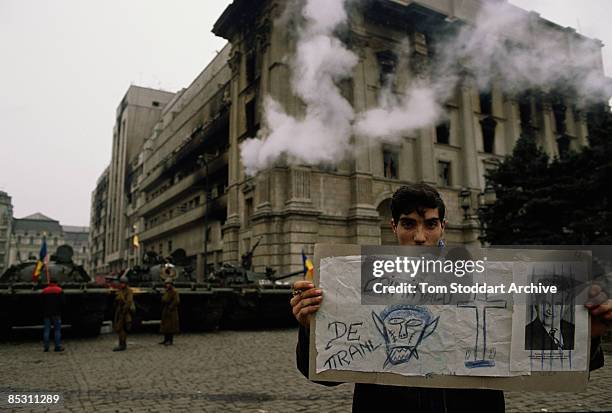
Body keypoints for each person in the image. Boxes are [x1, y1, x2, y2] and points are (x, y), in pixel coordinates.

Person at [292, 183, 611, 412]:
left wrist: (589, 335)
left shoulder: (486, 275)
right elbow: (325, 375)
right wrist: (311, 326)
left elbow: (548, 359)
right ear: (393, 227)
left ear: (443, 226)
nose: (420, 237)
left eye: (430, 225)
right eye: (409, 224)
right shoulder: (356, 278)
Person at [42, 278, 64, 352]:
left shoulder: (45, 290)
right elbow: (63, 302)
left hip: (46, 313)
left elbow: (41, 302)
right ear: (56, 283)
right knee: (57, 330)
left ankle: (46, 347)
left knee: (46, 330)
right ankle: (57, 346)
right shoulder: (59, 290)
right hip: (56, 313)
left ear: (49, 282)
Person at [113, 274, 134, 351]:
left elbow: (129, 302)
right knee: (119, 328)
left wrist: (124, 311)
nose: (122, 284)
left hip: (125, 313)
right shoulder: (120, 291)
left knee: (123, 329)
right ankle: (121, 344)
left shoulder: (129, 291)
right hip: (120, 311)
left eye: (123, 283)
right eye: (121, 283)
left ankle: (122, 345)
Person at [159, 278, 180, 345]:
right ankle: (165, 339)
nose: (167, 285)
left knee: (171, 326)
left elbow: (176, 300)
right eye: (166, 284)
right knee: (165, 326)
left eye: (169, 284)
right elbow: (164, 298)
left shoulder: (174, 291)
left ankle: (170, 340)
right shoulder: (167, 291)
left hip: (171, 310)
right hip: (166, 309)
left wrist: (171, 307)